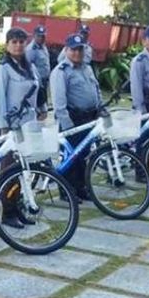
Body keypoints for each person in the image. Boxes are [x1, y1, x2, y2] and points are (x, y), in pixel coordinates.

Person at [0, 27, 42, 229]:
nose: (18, 45)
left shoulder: (30, 67)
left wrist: (41, 110)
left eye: (22, 41)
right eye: (14, 41)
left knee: (24, 171)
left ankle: (19, 207)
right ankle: (8, 212)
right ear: (7, 45)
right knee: (10, 172)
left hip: (28, 125)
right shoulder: (3, 68)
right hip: (11, 128)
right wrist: (3, 129)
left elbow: (38, 90)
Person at [50, 33, 102, 201]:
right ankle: (66, 191)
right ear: (66, 50)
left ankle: (80, 187)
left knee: (83, 156)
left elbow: (96, 89)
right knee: (70, 157)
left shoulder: (86, 68)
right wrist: (68, 127)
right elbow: (59, 103)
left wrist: (100, 107)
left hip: (89, 118)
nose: (77, 53)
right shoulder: (61, 71)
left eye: (79, 50)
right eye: (73, 50)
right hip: (73, 119)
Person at [26, 25, 50, 112]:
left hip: (44, 81)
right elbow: (28, 68)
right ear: (34, 35)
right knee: (38, 108)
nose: (41, 38)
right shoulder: (31, 50)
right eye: (39, 35)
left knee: (44, 108)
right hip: (37, 83)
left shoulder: (43, 47)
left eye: (43, 36)